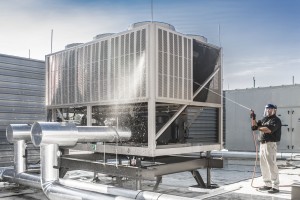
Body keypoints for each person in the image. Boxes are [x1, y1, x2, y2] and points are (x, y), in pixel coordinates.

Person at [250, 103, 282, 193]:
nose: (268, 110)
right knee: (263, 165)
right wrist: (253, 118)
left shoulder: (276, 120)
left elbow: (268, 130)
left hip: (270, 145)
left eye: (270, 109)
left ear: (274, 110)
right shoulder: (264, 119)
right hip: (262, 144)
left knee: (272, 165)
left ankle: (276, 186)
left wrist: (258, 127)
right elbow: (254, 127)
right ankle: (267, 184)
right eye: (267, 109)